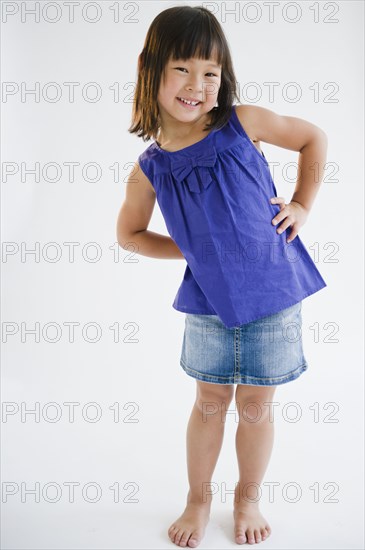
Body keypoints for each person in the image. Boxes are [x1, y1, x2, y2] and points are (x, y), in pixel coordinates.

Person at [116, 5, 328, 548]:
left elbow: (312, 138)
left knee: (257, 405)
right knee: (210, 403)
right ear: (150, 68)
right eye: (183, 69)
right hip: (208, 303)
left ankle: (248, 497)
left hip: (275, 295)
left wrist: (301, 205)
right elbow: (130, 235)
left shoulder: (244, 123)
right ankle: (197, 498)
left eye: (210, 73)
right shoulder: (149, 168)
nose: (197, 84)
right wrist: (193, 251)